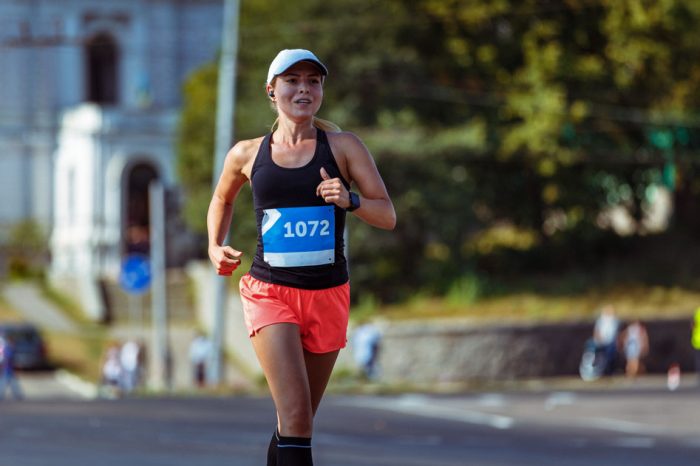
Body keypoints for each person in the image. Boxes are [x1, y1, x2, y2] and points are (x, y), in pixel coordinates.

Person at [207, 48, 395, 466]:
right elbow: (222, 198)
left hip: (327, 295)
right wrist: (213, 244)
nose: (304, 89)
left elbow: (387, 215)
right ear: (272, 91)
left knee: (298, 419)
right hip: (270, 293)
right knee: (295, 415)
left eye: (313, 81)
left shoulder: (344, 147)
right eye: (293, 81)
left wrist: (350, 200)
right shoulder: (246, 153)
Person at [592, 304, 620, 375]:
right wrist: (598, 339)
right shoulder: (601, 320)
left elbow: (616, 332)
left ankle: (609, 372)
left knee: (610, 357)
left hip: (611, 342)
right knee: (600, 357)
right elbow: (597, 331)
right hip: (601, 342)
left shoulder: (615, 320)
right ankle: (599, 370)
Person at [0, 336, 24, 401]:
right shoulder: (8, 349)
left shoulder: (8, 348)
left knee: (11, 383)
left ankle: (18, 394)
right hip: (7, 369)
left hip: (9, 369)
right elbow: (7, 359)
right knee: (5, 382)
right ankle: (17, 395)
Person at [692, 307, 700, 386]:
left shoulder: (698, 311)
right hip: (697, 341)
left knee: (698, 361)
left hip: (697, 341)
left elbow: (693, 325)